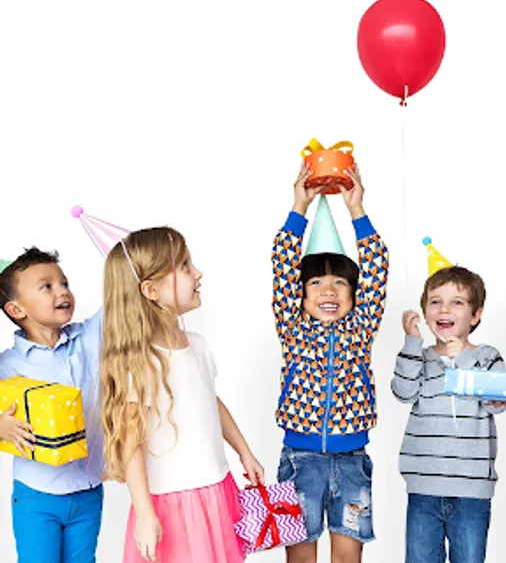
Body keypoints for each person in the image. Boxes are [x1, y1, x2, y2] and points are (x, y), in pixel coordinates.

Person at [100, 225, 264, 563]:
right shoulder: (140, 361)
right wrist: (145, 512)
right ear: (150, 290)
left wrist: (244, 452)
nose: (198, 273)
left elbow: (209, 401)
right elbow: (130, 440)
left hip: (216, 488)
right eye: (185, 266)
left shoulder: (198, 345)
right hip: (175, 502)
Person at [272, 162, 389, 563]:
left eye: (340, 282)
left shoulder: (361, 328)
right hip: (299, 460)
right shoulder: (293, 328)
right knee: (301, 558)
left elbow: (377, 268)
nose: (328, 290)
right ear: (300, 296)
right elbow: (282, 265)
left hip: (352, 460)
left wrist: (356, 209)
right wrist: (299, 208)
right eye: (316, 283)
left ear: (354, 295)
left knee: (347, 557)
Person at [392, 265, 506, 563]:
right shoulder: (420, 357)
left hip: (472, 491)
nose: (444, 309)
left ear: (476, 315)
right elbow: (403, 393)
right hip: (423, 487)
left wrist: (464, 360)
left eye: (457, 302)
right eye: (435, 301)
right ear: (425, 312)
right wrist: (411, 342)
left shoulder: (486, 357)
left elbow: (498, 402)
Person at [0, 249, 104, 563]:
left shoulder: (89, 338)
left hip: (88, 490)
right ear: (16, 309)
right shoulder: (7, 365)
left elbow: (121, 304)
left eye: (64, 283)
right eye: (46, 286)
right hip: (36, 495)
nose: (62, 291)